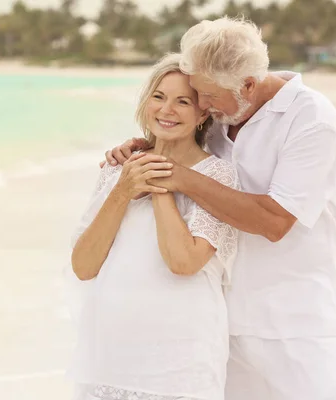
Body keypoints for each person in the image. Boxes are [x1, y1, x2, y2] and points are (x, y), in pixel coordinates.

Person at [104, 17, 336, 400]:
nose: (203, 105)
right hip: (218, 324)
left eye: (209, 96)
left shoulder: (312, 120)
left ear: (249, 85)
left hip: (296, 325)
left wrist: (175, 175)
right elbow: (187, 143)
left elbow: (274, 221)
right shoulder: (224, 114)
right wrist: (145, 148)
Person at [66, 53, 240, 400]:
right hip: (109, 357)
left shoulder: (219, 176)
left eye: (182, 102)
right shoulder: (118, 170)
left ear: (202, 112)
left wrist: (160, 180)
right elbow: (83, 266)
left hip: (180, 364)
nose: (167, 110)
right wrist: (124, 189)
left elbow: (183, 262)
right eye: (158, 97)